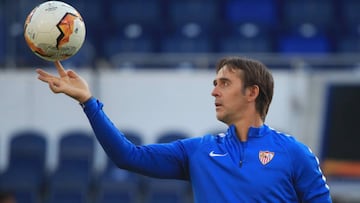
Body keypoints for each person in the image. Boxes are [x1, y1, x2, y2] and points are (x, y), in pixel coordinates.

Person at [36, 56, 332, 202]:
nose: (214, 92)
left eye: (224, 83)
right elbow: (128, 156)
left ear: (252, 93)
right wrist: (88, 101)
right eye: (214, 84)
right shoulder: (198, 150)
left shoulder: (294, 154)